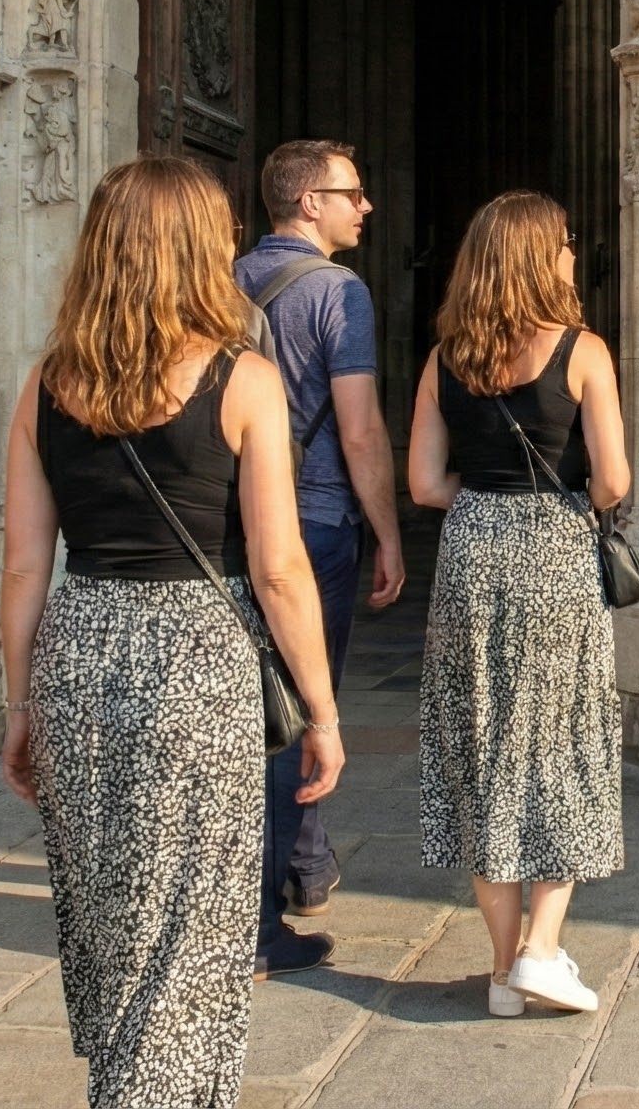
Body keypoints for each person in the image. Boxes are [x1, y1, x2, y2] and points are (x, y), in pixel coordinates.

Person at [0, 154, 346, 1104]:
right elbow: (278, 569)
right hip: (197, 657)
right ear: (202, 250)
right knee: (192, 918)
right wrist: (320, 709)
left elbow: (26, 564)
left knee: (108, 909)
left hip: (80, 647)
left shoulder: (47, 384)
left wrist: (18, 700)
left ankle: (126, 1083)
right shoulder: (243, 379)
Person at [408, 191, 632, 1017]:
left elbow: (425, 484)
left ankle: (505, 973)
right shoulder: (582, 351)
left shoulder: (444, 358)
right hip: (555, 551)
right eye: (566, 242)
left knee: (483, 749)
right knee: (562, 743)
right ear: (541, 257)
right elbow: (612, 481)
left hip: (470, 551)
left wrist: (488, 495)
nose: (573, 253)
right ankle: (541, 948)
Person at [235, 139, 408, 970]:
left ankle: (305, 867)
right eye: (352, 192)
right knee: (304, 706)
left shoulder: (223, 281)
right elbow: (361, 425)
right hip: (315, 523)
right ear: (309, 203)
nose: (365, 207)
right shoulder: (340, 291)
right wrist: (389, 531)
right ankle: (263, 919)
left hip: (233, 526)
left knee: (249, 704)